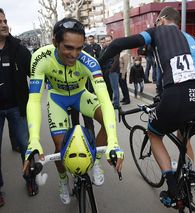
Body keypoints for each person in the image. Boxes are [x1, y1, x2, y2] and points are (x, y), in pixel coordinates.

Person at [98, 6, 195, 208]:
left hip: (177, 97)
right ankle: (188, 175)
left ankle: (173, 190)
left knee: (154, 134)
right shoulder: (191, 39)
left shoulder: (156, 32)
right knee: (183, 133)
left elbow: (117, 44)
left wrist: (97, 65)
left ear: (161, 20)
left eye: (156, 22)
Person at [22, 18, 124, 205]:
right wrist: (34, 139)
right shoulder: (41, 57)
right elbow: (34, 99)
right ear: (55, 42)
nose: (74, 54)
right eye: (68, 47)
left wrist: (114, 142)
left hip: (80, 95)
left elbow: (105, 100)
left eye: (79, 48)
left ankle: (96, 161)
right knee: (60, 148)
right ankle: (63, 181)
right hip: (57, 99)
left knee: (109, 122)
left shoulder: (89, 62)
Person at [0, 8, 34, 206]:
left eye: (5, 20)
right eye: (0, 22)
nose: (4, 24)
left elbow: (35, 73)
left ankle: (30, 179)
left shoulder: (19, 49)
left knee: (25, 145)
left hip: (17, 107)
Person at [70, 35, 101, 136]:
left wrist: (92, 89)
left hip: (85, 90)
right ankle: (76, 140)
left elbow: (90, 71)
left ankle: (91, 142)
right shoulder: (69, 49)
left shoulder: (88, 48)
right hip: (72, 91)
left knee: (88, 119)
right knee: (74, 120)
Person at [98, 35, 120, 109]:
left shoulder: (115, 48)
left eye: (109, 40)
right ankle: (111, 101)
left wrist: (111, 70)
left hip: (113, 71)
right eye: (106, 41)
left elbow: (116, 61)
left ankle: (116, 104)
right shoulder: (104, 49)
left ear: (112, 40)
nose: (108, 42)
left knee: (115, 88)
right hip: (106, 71)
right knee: (109, 87)